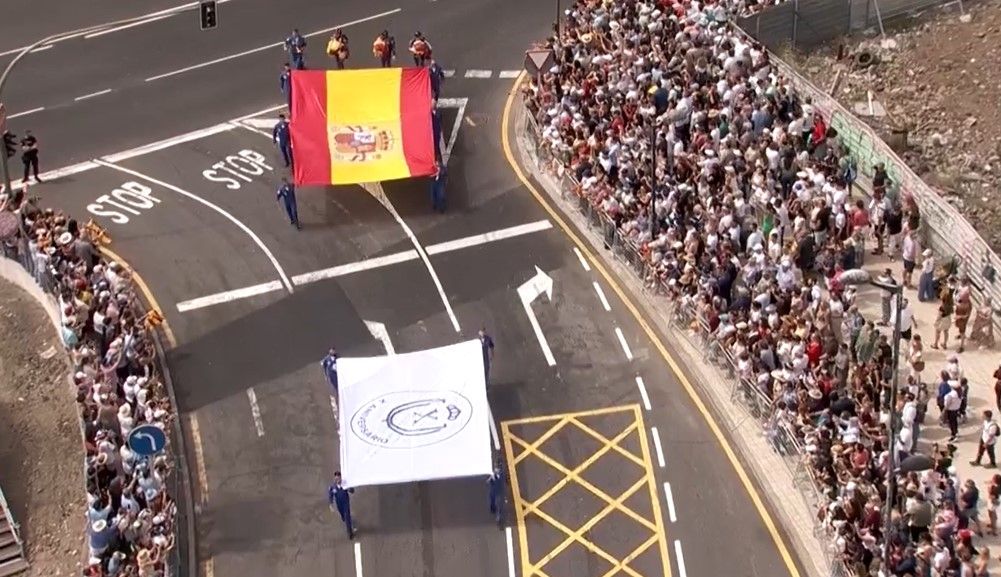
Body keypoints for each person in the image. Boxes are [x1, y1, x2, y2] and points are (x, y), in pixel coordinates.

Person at [328, 471, 356, 539]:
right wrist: (331, 504)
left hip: (345, 503)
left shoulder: (345, 485)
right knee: (343, 516)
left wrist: (349, 489)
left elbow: (352, 491)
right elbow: (330, 495)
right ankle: (348, 521)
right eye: (336, 479)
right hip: (339, 504)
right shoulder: (332, 487)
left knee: (347, 516)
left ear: (341, 478)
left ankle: (350, 533)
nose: (337, 480)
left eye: (338, 479)